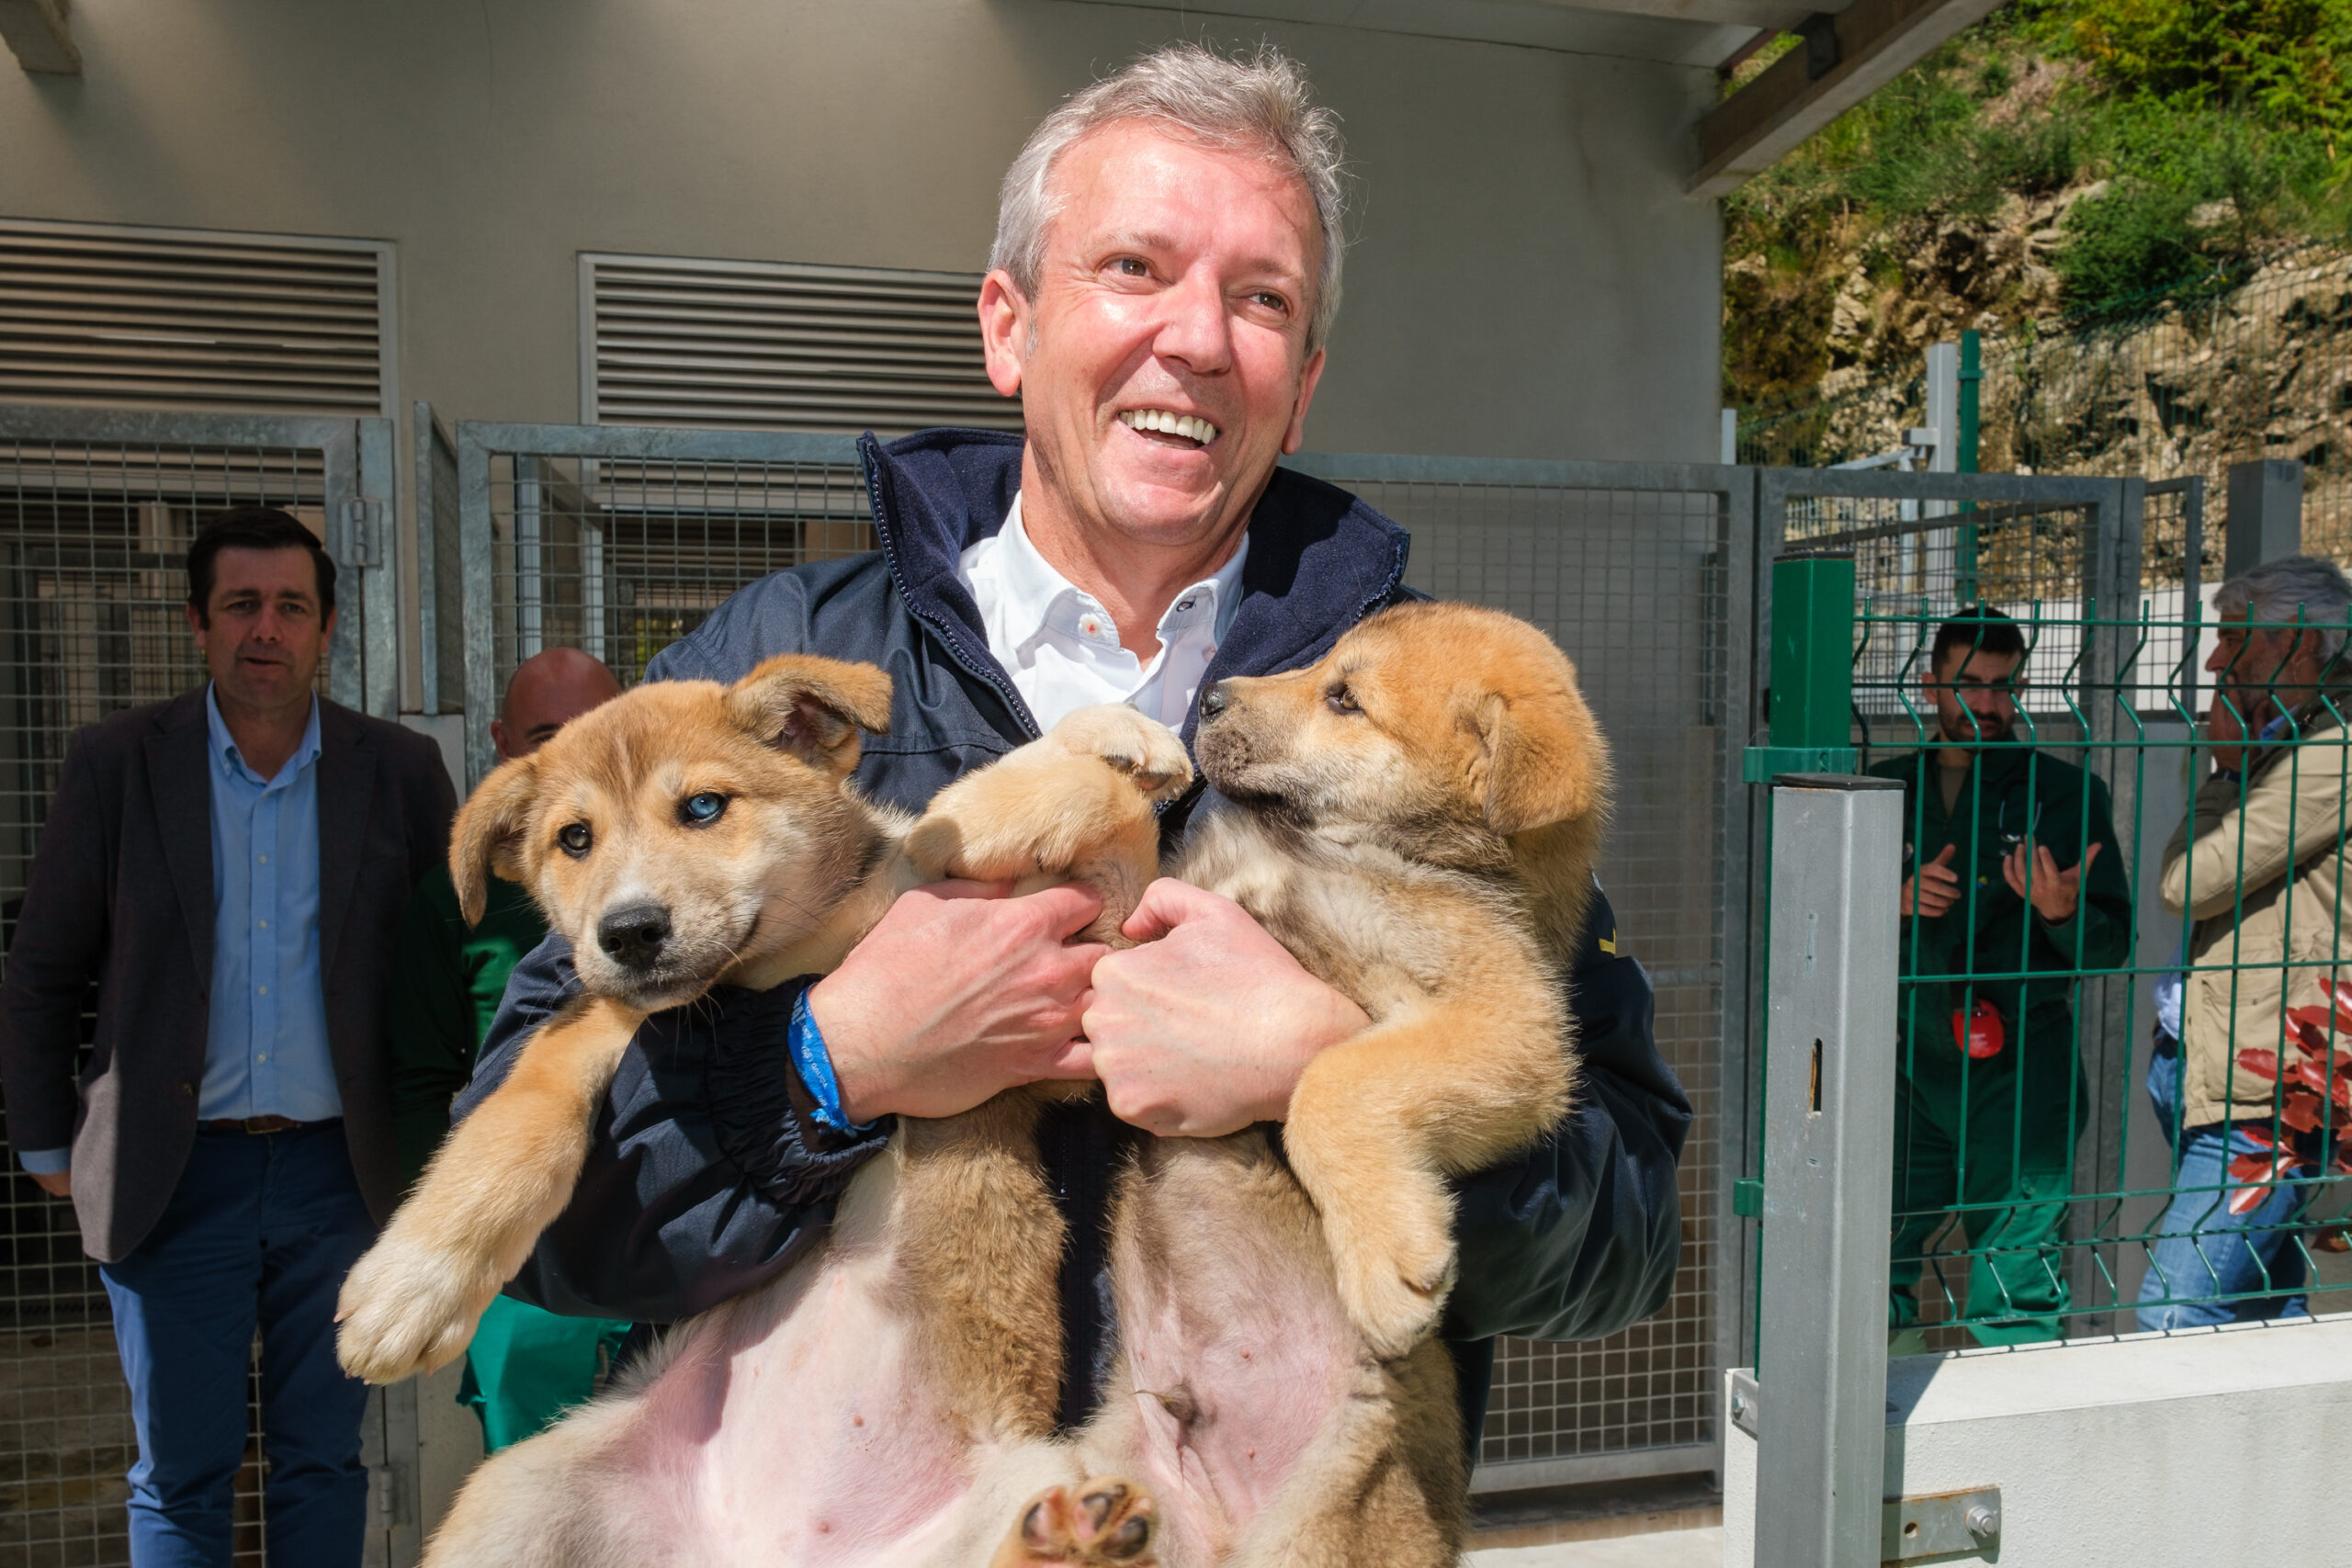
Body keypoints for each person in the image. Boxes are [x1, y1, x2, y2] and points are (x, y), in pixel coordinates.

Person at [457, 43, 1691, 1450]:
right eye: (1134, 267)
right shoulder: (770, 682)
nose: (1201, 338)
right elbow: (545, 1217)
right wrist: (830, 1060)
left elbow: (1624, 1231)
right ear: (1009, 326)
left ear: (1304, 385)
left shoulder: (1422, 711)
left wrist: (1327, 1073)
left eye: (1262, 297)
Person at [0, 507, 455, 1567]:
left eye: (290, 607)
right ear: (196, 622)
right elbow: (41, 969)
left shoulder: (395, 770)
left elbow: (445, 968)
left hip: (338, 1175)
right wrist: (45, 1149)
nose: (266, 629)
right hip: (172, 1176)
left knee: (322, 1462)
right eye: (241, 605)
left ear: (327, 627)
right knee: (182, 1476)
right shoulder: (116, 764)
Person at [387, 647, 631, 1451]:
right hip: (524, 1243)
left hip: (670, 1216)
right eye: (542, 735)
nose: (568, 754)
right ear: (500, 741)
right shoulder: (458, 897)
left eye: (591, 728)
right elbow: (421, 1081)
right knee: (530, 1478)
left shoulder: (678, 873)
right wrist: (463, 1235)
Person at [1876, 605, 2132, 1348]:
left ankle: (2011, 1442)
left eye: (2003, 685)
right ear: (1930, 687)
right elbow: (1808, 920)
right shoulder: (1883, 789)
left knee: (2014, 1263)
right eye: (1970, 685)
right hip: (1904, 1054)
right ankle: (1875, 1416)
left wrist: (2061, 913)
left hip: (2022, 1060)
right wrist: (1885, 900)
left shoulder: (2064, 794)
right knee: (1873, 1246)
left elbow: (2111, 944)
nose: (1989, 703)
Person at [2136, 555, 2352, 1329]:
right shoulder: (2293, 733)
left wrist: (2225, 773)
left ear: (2301, 640)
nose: (2217, 661)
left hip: (2268, 1082)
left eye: (2236, 639)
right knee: (2262, 1307)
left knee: (2174, 1313)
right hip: (2214, 1060)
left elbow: (2189, 881)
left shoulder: (2335, 749)